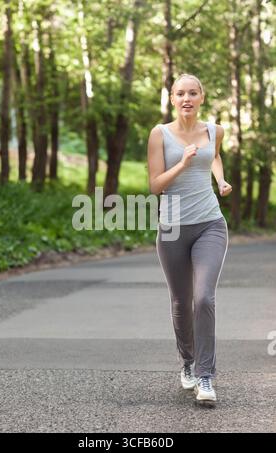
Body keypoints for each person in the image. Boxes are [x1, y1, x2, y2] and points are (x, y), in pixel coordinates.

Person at [147, 73, 232, 406]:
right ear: (172, 98)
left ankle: (206, 375)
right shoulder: (160, 134)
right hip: (172, 229)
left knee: (204, 299)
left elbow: (214, 156)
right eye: (180, 93)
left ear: (202, 97)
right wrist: (183, 162)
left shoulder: (215, 131)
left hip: (210, 223)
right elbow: (155, 185)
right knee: (182, 303)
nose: (186, 98)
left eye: (192, 93)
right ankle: (188, 361)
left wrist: (220, 180)